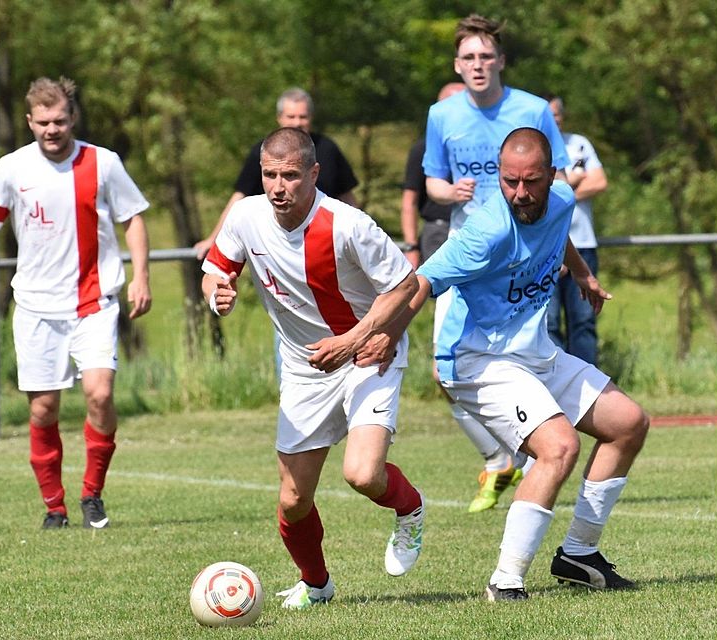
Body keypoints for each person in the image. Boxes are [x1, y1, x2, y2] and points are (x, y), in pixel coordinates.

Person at [400, 127, 649, 601]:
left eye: (530, 181)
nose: (519, 192)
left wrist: (582, 275)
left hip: (534, 353)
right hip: (479, 359)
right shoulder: (487, 229)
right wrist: (376, 336)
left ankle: (579, 555)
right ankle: (506, 581)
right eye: (510, 181)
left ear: (552, 174)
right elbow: (421, 282)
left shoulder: (558, 198)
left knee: (628, 423)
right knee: (558, 447)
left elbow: (558, 231)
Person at [201, 127, 425, 610]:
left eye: (290, 176)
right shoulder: (246, 215)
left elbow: (405, 286)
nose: (278, 187)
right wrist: (218, 295)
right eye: (269, 176)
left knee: (363, 475)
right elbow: (216, 269)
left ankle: (410, 509)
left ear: (314, 173)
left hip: (367, 354)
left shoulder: (348, 224)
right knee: (292, 500)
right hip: (304, 371)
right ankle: (317, 584)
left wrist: (353, 339)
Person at [0, 77, 152, 530]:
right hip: (37, 307)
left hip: (94, 301)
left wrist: (141, 275)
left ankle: (92, 495)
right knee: (43, 409)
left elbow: (133, 219)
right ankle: (54, 506)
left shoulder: (103, 163)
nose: (52, 129)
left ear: (73, 118)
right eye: (43, 122)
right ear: (30, 121)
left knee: (100, 394)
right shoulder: (12, 168)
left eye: (60, 120)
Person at [422, 13, 571, 513]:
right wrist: (451, 191)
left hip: (526, 253)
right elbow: (433, 185)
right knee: (445, 373)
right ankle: (499, 457)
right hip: (469, 250)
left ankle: (544, 452)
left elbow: (560, 184)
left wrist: (566, 255)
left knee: (530, 356)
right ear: (457, 65)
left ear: (501, 61)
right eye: (469, 57)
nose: (478, 64)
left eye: (487, 55)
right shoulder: (441, 115)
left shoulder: (532, 108)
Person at [193, 87, 359, 260]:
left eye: (302, 117)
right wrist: (214, 238)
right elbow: (239, 198)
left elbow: (347, 196)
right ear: (279, 118)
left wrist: (358, 234)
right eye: (291, 116)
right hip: (282, 245)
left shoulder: (328, 149)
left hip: (326, 242)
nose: (297, 123)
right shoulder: (264, 152)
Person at [545, 94, 608, 365]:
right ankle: (556, 384)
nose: (552, 120)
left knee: (583, 320)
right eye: (546, 115)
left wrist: (561, 191)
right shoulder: (532, 148)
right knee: (547, 323)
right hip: (546, 246)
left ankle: (589, 385)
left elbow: (599, 182)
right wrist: (573, 181)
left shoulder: (579, 143)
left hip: (582, 243)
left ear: (562, 116)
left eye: (555, 115)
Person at [400, 82, 465, 269]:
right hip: (439, 230)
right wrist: (411, 246)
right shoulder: (423, 148)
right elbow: (409, 201)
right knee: (445, 294)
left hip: (477, 226)